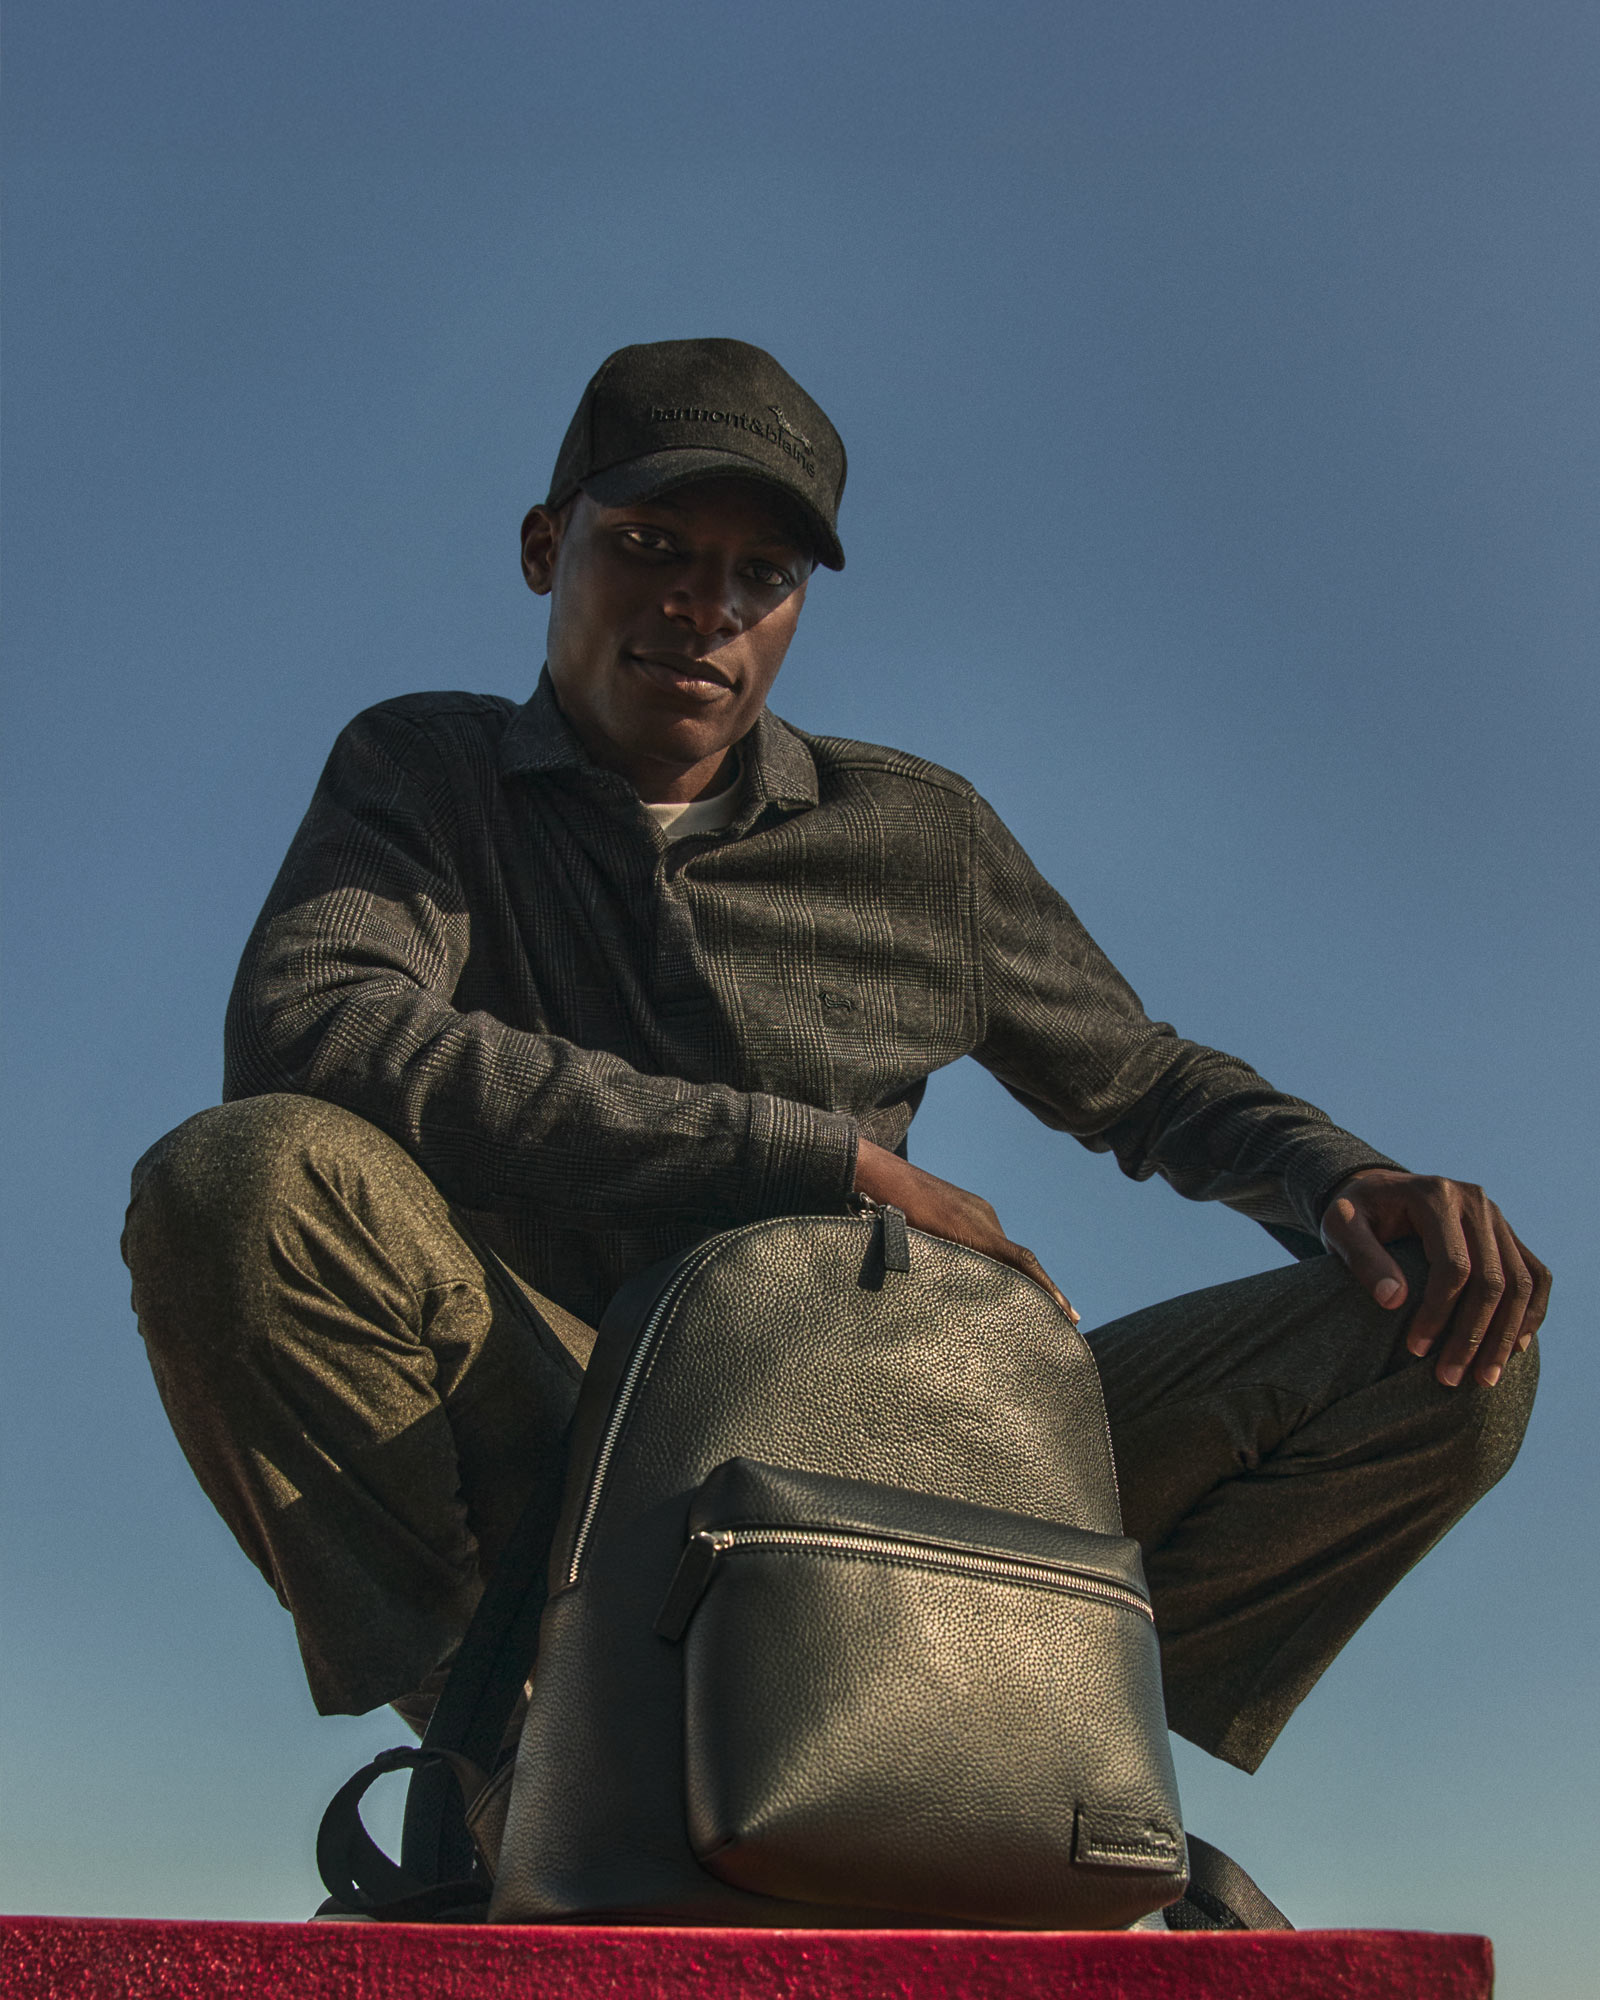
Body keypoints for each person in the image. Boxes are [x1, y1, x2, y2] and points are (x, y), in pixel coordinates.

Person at [123, 337, 1546, 1776]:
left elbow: (1146, 1080)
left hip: (888, 1460)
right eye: (653, 545)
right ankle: (511, 1771)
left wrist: (1339, 1176)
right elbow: (317, 1025)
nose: (703, 606)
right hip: (560, 1444)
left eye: (761, 577)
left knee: (1450, 1339)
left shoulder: (919, 839)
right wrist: (812, 1157)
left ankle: (1018, 1765)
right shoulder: (428, 773)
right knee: (238, 1183)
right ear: (547, 548)